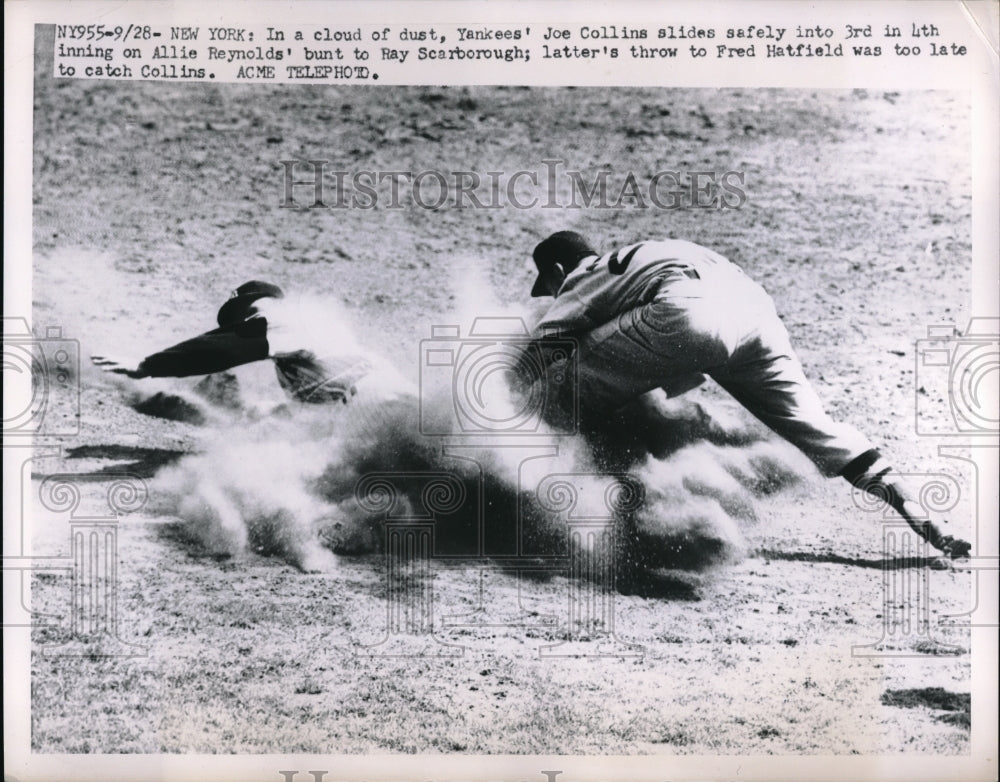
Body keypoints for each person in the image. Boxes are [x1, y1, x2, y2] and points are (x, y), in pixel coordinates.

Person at [523, 230, 972, 559]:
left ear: (558, 271)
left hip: (683, 312)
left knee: (561, 388)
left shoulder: (586, 273)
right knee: (816, 427)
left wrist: (490, 401)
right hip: (756, 316)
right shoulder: (656, 249)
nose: (549, 293)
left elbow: (545, 345)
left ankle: (550, 507)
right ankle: (920, 514)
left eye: (548, 284)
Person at [92, 280, 414, 407]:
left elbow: (223, 348)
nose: (240, 324)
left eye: (241, 315)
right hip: (394, 413)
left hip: (391, 412)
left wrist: (148, 366)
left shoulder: (280, 317)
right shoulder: (305, 343)